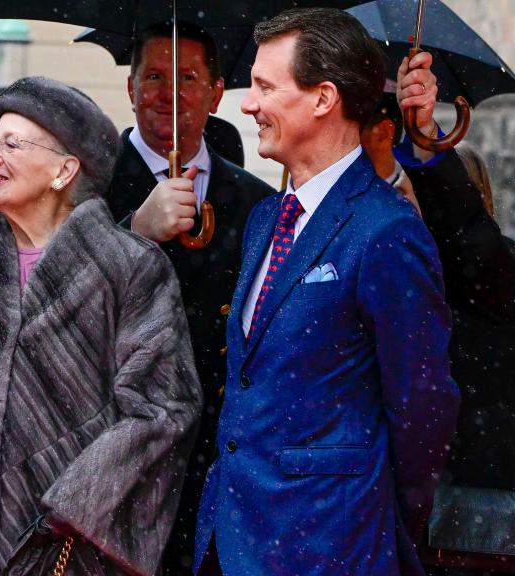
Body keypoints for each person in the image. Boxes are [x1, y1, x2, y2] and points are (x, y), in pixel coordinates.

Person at [0, 76, 203, 576]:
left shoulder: (128, 266)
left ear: (64, 171)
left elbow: (163, 408)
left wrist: (69, 507)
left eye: (13, 144)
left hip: (75, 549)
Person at [195, 9, 459, 575]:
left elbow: (423, 407)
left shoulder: (388, 231)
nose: (247, 104)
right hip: (234, 536)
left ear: (323, 99)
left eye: (266, 87)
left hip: (330, 547)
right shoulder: (267, 218)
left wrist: (383, 523)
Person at [102, 20, 274, 572]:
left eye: (188, 77)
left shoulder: (257, 204)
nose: (168, 94)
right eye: (153, 76)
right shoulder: (85, 185)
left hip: (215, 462)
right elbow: (59, 300)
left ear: (217, 92)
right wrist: (133, 231)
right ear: (129, 89)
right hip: (115, 451)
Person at [389, 54, 515, 573]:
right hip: (394, 512)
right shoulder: (390, 270)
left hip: (477, 517)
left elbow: (469, 239)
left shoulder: (485, 275)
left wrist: (425, 138)